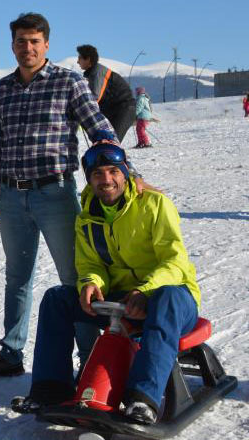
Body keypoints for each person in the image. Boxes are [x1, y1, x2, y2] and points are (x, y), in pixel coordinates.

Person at [0, 13, 125, 381]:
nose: (27, 48)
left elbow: (100, 130)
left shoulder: (69, 82)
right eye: (21, 41)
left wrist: (127, 173)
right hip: (12, 196)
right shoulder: (2, 90)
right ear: (12, 45)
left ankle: (89, 361)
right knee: (17, 276)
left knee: (75, 278)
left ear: (46, 44)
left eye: (34, 41)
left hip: (55, 193)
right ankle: (11, 353)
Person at [12, 143, 200, 425]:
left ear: (125, 174)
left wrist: (145, 291)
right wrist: (90, 282)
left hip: (170, 297)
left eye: (113, 171)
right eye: (98, 173)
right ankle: (50, 390)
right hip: (123, 300)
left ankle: (142, 399)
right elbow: (90, 264)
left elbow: (174, 262)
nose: (106, 179)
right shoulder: (87, 216)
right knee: (57, 299)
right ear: (89, 178)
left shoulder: (153, 204)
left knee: (167, 299)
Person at [76, 44, 136, 142]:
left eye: (80, 58)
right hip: (112, 109)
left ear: (88, 59)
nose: (78, 61)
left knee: (111, 142)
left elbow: (95, 98)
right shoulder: (92, 73)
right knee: (102, 140)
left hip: (123, 109)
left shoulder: (98, 73)